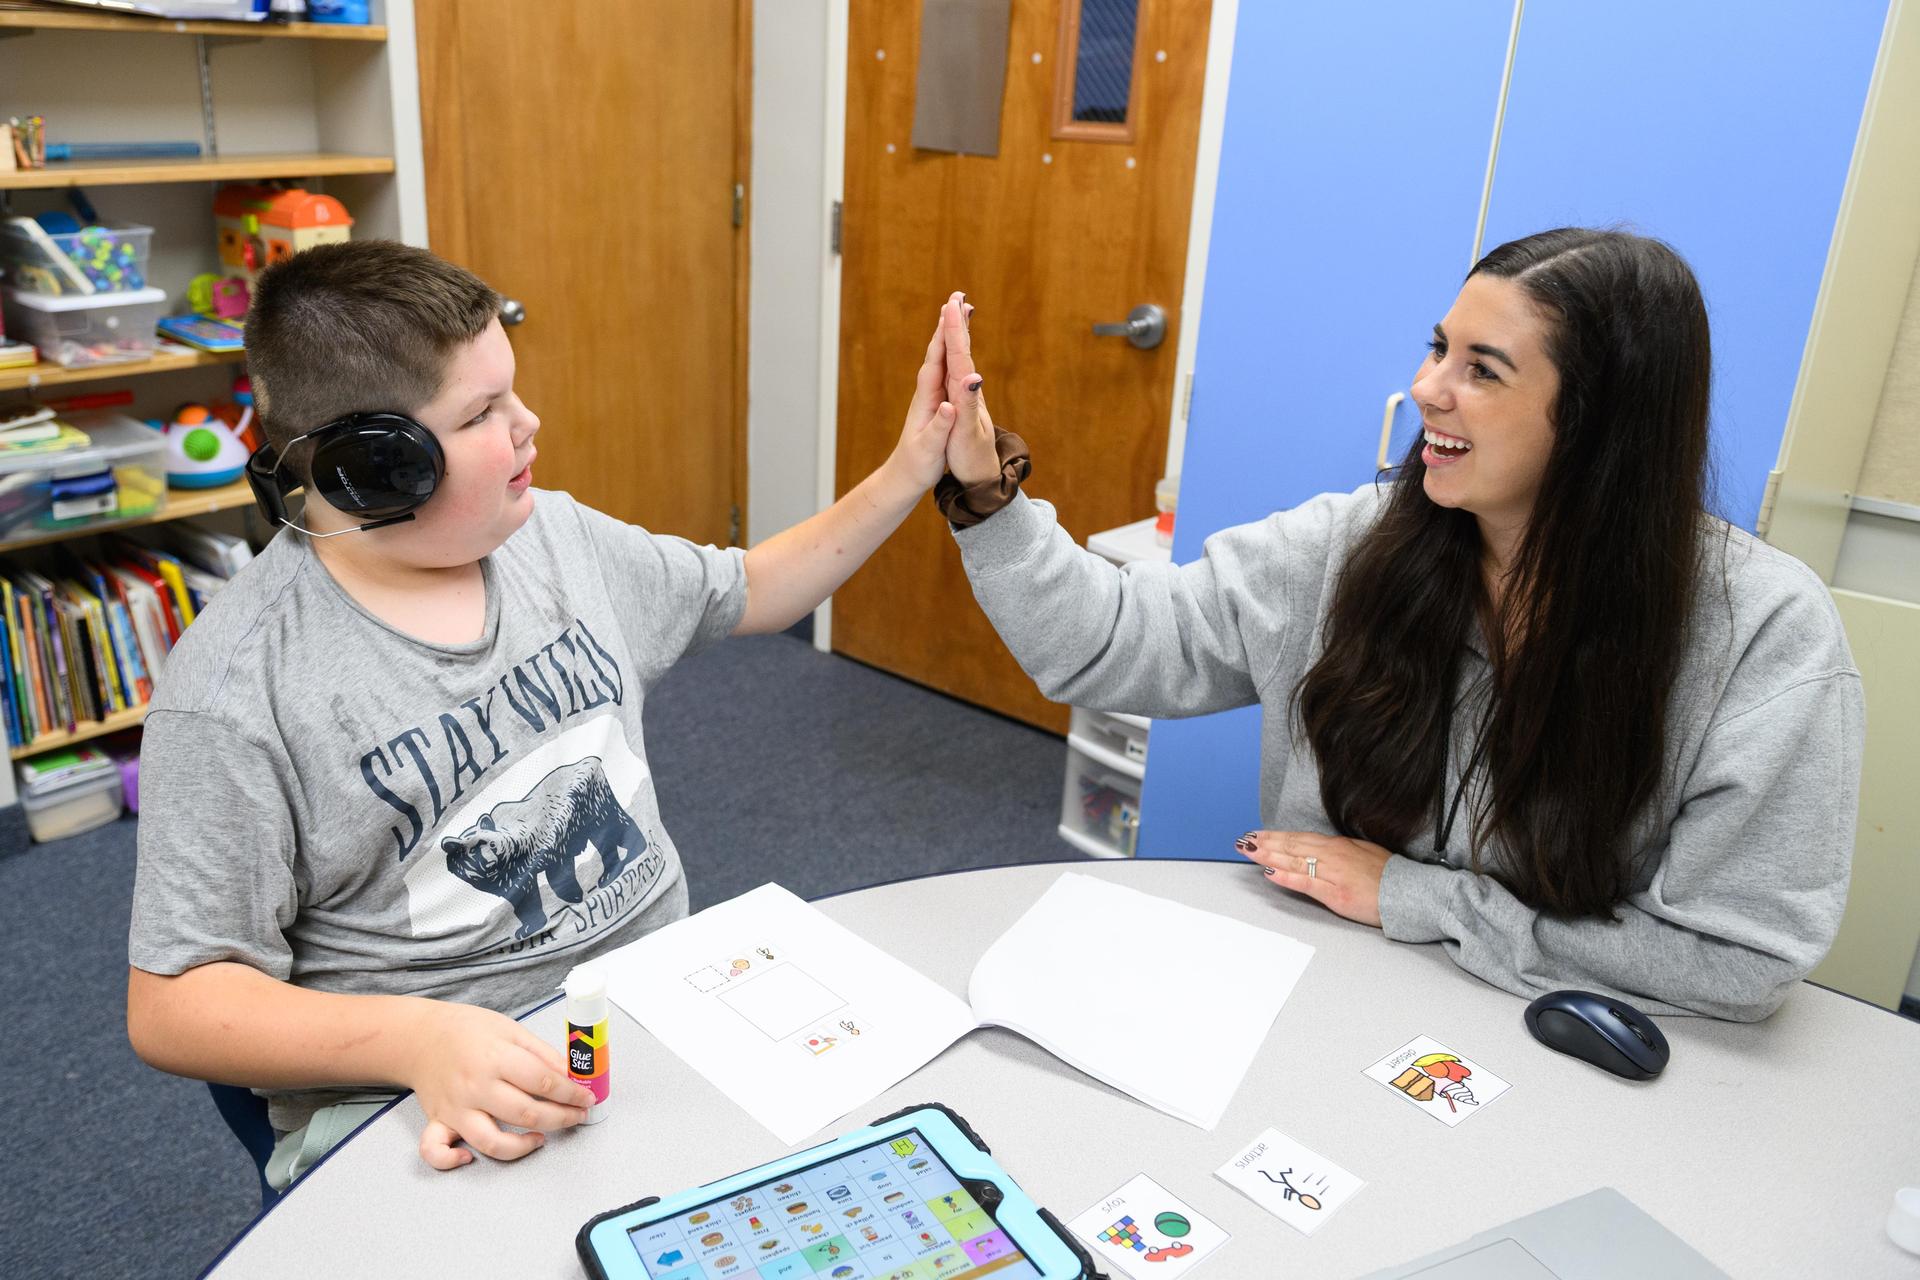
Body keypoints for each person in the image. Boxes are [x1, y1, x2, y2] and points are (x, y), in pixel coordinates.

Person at [126, 241, 975, 1186]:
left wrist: (912, 465)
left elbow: (754, 588)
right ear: (377, 468)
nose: (530, 424)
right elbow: (174, 1005)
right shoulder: (238, 694)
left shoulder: (556, 539)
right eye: (483, 411)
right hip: (426, 1091)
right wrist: (417, 1041)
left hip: (652, 1018)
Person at [936, 228, 1864, 1022]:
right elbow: (1113, 641)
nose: (1426, 389)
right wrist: (986, 497)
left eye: (1480, 370)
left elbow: (1739, 960)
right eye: (1437, 350)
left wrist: (1416, 898)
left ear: (1597, 422)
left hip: (1553, 1044)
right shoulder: (1354, 544)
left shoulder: (1764, 635)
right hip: (1335, 1003)